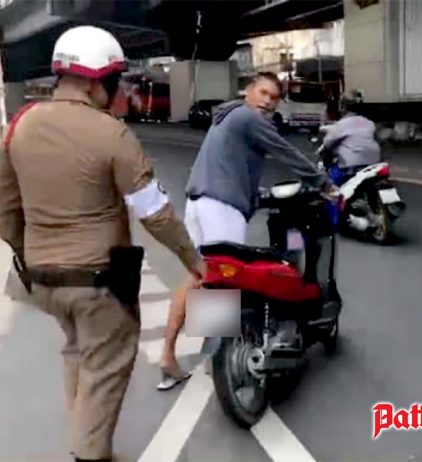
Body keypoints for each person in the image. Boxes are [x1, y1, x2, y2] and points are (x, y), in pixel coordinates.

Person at [0, 25, 205, 462]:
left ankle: (83, 438)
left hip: (44, 281)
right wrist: (193, 260)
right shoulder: (111, 133)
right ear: (98, 83)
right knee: (107, 363)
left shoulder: (19, 126)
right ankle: (89, 455)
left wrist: (27, 251)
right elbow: (155, 213)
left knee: (78, 351)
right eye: (114, 82)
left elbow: (4, 207)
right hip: (97, 283)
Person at [157, 71, 334, 390]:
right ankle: (218, 364)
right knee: (225, 281)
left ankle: (168, 354)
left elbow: (234, 167)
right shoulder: (247, 117)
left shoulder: (227, 116)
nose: (267, 101)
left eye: (274, 98)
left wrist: (258, 196)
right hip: (221, 207)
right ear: (248, 91)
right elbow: (285, 150)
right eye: (263, 93)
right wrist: (323, 183)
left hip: (199, 203)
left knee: (199, 276)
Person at [318, 98, 381, 186]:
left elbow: (328, 143)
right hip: (374, 161)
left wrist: (322, 151)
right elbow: (376, 138)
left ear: (343, 108)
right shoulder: (369, 123)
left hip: (352, 162)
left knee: (331, 183)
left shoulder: (341, 124)